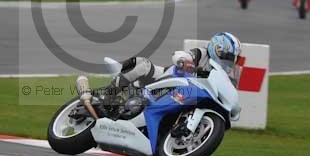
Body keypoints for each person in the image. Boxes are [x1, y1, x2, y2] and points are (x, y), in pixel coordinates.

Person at [102, 33, 243, 110]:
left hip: (187, 97)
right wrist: (184, 60)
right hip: (167, 78)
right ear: (217, 48)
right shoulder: (202, 53)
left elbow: (229, 90)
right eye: (227, 57)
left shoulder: (225, 74)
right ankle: (109, 94)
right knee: (142, 64)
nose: (228, 61)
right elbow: (182, 55)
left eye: (232, 59)